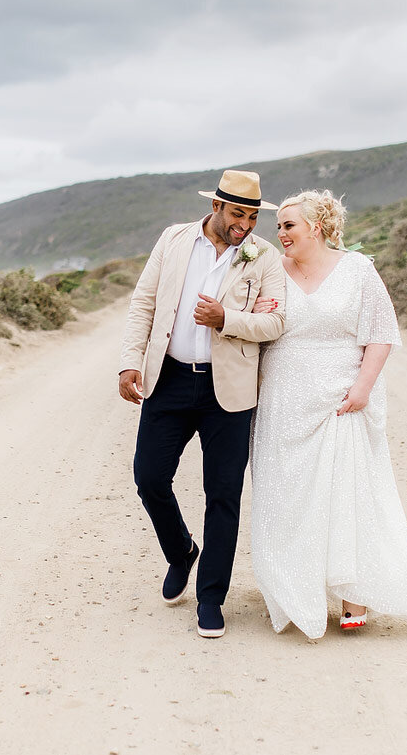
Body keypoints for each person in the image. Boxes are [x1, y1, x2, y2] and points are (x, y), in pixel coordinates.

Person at [248, 189, 407, 638]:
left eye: (289, 225)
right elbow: (254, 324)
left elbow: (381, 333)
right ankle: (297, 589)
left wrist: (363, 388)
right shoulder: (271, 270)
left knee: (346, 494)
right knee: (287, 494)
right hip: (282, 399)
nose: (280, 234)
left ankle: (354, 594)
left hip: (341, 397)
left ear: (316, 227)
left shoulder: (357, 270)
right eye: (278, 227)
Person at [118, 169, 286, 639]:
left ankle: (212, 598)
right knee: (149, 478)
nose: (245, 226)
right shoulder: (173, 240)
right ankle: (180, 553)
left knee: (224, 496)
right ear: (216, 207)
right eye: (238, 214)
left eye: (253, 217)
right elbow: (143, 304)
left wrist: (226, 318)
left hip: (228, 390)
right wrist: (130, 362)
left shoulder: (264, 258)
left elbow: (276, 323)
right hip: (168, 379)